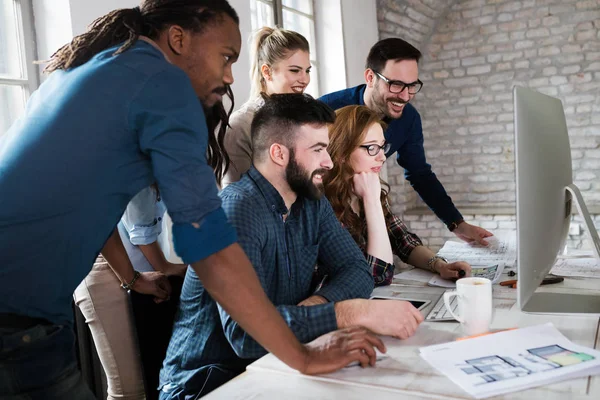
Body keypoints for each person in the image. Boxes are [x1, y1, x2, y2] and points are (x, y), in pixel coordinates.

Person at [0, 2, 382, 399]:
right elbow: (210, 250)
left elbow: (89, 206)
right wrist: (303, 356)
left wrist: (131, 277)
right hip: (17, 319)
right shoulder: (164, 84)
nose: (230, 76)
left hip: (30, 314)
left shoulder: (101, 67)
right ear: (178, 39)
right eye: (226, 57)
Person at [159, 94, 424, 399]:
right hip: (207, 385)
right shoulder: (233, 212)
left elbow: (357, 272)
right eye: (318, 150)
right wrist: (347, 312)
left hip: (275, 365)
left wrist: (317, 303)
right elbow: (243, 335)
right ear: (279, 154)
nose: (329, 161)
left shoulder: (311, 201)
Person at [319, 38, 493, 245]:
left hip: (362, 206)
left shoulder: (409, 119)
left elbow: (420, 174)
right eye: (396, 85)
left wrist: (456, 222)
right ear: (370, 77)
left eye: (412, 86)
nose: (405, 96)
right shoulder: (324, 110)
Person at [324, 105, 472, 285]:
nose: (382, 157)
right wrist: (372, 201)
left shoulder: (367, 186)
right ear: (341, 153)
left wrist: (439, 265)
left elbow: (402, 241)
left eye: (382, 147)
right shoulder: (323, 205)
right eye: (371, 148)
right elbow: (378, 275)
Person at [74, 184, 187, 400]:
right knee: (129, 392)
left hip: (138, 269)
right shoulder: (130, 158)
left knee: (150, 385)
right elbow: (139, 229)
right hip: (108, 269)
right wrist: (157, 268)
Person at [222, 26, 311, 186]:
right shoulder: (242, 124)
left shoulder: (305, 120)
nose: (305, 79)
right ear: (267, 72)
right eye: (295, 70)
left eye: (307, 70)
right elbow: (235, 198)